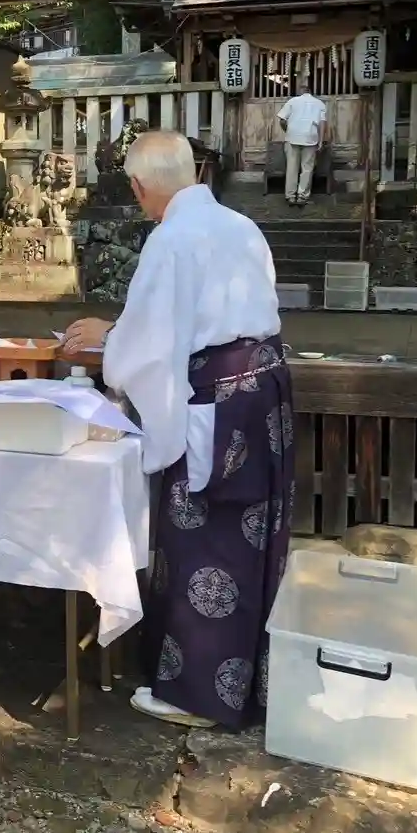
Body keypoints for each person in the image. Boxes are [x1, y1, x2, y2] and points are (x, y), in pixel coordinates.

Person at [61, 130, 292, 732]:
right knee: (253, 537)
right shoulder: (242, 226)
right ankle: (253, 684)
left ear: (140, 187)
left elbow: (151, 343)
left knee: (204, 540)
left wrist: (110, 339)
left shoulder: (171, 239)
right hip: (263, 394)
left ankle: (198, 695)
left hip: (214, 403)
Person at [277, 76, 327, 207]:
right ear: (310, 92)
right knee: (307, 168)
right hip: (310, 137)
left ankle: (290, 196)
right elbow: (322, 124)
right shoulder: (320, 104)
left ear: (301, 92)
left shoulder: (293, 101)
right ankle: (302, 196)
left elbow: (282, 120)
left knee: (291, 167)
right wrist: (321, 141)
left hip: (293, 137)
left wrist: (287, 130)